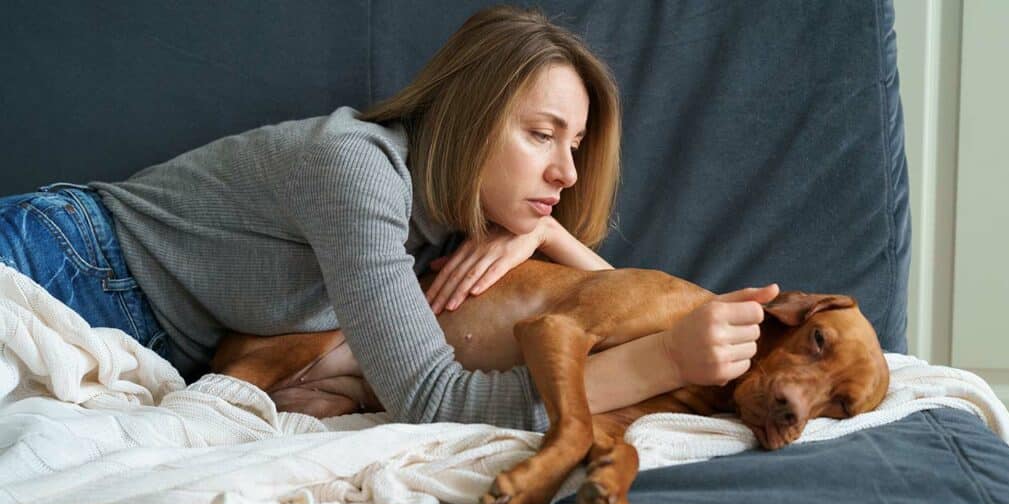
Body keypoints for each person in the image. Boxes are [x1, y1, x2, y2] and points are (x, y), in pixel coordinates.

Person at [0, 6, 777, 431]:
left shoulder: (443, 228)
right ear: (467, 115)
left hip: (137, 336)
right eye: (541, 135)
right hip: (62, 260)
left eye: (574, 146)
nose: (566, 172)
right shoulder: (357, 172)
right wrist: (664, 365)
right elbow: (433, 401)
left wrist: (549, 233)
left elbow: (626, 307)